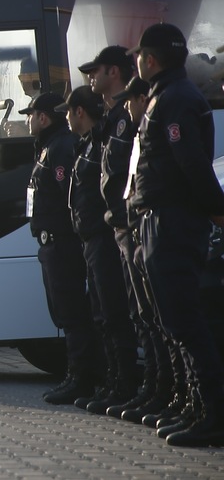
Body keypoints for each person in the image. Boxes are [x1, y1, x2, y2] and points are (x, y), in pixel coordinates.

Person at [126, 23, 224, 447]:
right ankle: (195, 407)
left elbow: (191, 162)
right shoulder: (167, 96)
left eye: (139, 56)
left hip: (175, 222)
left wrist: (217, 209)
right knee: (173, 319)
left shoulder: (176, 99)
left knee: (184, 320)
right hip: (160, 220)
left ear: (149, 59)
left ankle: (212, 413)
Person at [54, 85, 140, 414]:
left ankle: (125, 384)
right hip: (90, 239)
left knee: (116, 315)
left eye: (68, 110)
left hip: (104, 237)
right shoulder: (88, 144)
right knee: (102, 315)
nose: (66, 117)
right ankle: (113, 381)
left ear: (78, 112)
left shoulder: (100, 141)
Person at [24, 92, 103, 405]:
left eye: (30, 114)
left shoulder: (59, 147)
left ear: (43, 117)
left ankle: (81, 377)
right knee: (66, 313)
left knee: (73, 315)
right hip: (51, 243)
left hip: (63, 243)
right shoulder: (48, 146)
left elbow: (69, 198)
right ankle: (84, 375)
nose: (27, 119)